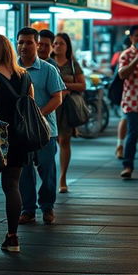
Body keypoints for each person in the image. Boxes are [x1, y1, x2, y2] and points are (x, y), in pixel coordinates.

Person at [0, 35, 35, 254]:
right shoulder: (25, 76)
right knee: (12, 186)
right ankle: (12, 238)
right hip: (20, 139)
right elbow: (31, 107)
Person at [17, 28, 65, 225]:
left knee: (47, 168)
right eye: (21, 42)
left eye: (28, 42)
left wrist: (37, 115)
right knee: (24, 170)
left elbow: (58, 98)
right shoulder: (13, 68)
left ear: (37, 44)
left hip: (46, 130)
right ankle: (28, 209)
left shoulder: (47, 69)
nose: (24, 46)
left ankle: (47, 206)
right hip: (21, 131)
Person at [52, 33, 86, 194]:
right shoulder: (48, 62)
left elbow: (82, 85)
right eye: (55, 43)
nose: (57, 46)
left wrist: (65, 85)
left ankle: (62, 178)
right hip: (51, 107)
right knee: (50, 143)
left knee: (64, 141)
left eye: (61, 43)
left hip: (66, 108)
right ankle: (50, 176)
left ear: (67, 46)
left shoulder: (73, 64)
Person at [119, 25, 138, 179]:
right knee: (133, 133)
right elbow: (122, 74)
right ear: (131, 38)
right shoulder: (126, 55)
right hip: (132, 101)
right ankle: (128, 166)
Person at [113, 37, 131, 160]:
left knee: (125, 120)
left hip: (132, 95)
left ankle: (121, 146)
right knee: (124, 119)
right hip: (127, 95)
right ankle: (120, 146)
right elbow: (119, 74)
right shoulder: (124, 56)